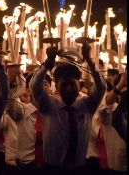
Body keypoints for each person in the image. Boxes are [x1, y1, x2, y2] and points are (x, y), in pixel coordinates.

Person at [30, 42, 106, 174]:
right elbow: (34, 86)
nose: (69, 88)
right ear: (57, 85)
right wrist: (47, 64)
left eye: (72, 84)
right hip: (52, 169)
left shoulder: (86, 106)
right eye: (64, 84)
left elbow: (101, 87)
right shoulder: (49, 106)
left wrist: (88, 59)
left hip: (80, 169)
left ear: (79, 83)